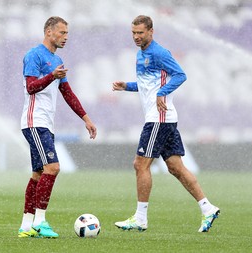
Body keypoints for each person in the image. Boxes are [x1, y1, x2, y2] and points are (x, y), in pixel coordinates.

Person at [112, 15, 220, 233]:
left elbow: (180, 75)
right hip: (164, 118)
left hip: (158, 118)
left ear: (151, 32)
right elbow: (148, 85)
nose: (136, 36)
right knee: (175, 168)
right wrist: (128, 86)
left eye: (140, 33)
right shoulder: (141, 54)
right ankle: (207, 208)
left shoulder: (159, 53)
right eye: (133, 32)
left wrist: (163, 93)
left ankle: (140, 218)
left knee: (140, 164)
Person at [18, 16, 97, 238]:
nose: (66, 37)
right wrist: (52, 76)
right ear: (49, 32)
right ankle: (40, 222)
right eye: (62, 33)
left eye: (67, 33)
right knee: (53, 168)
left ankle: (26, 226)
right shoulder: (34, 55)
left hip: (45, 124)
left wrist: (86, 118)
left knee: (37, 174)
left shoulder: (56, 59)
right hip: (35, 122)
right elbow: (31, 87)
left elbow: (67, 92)